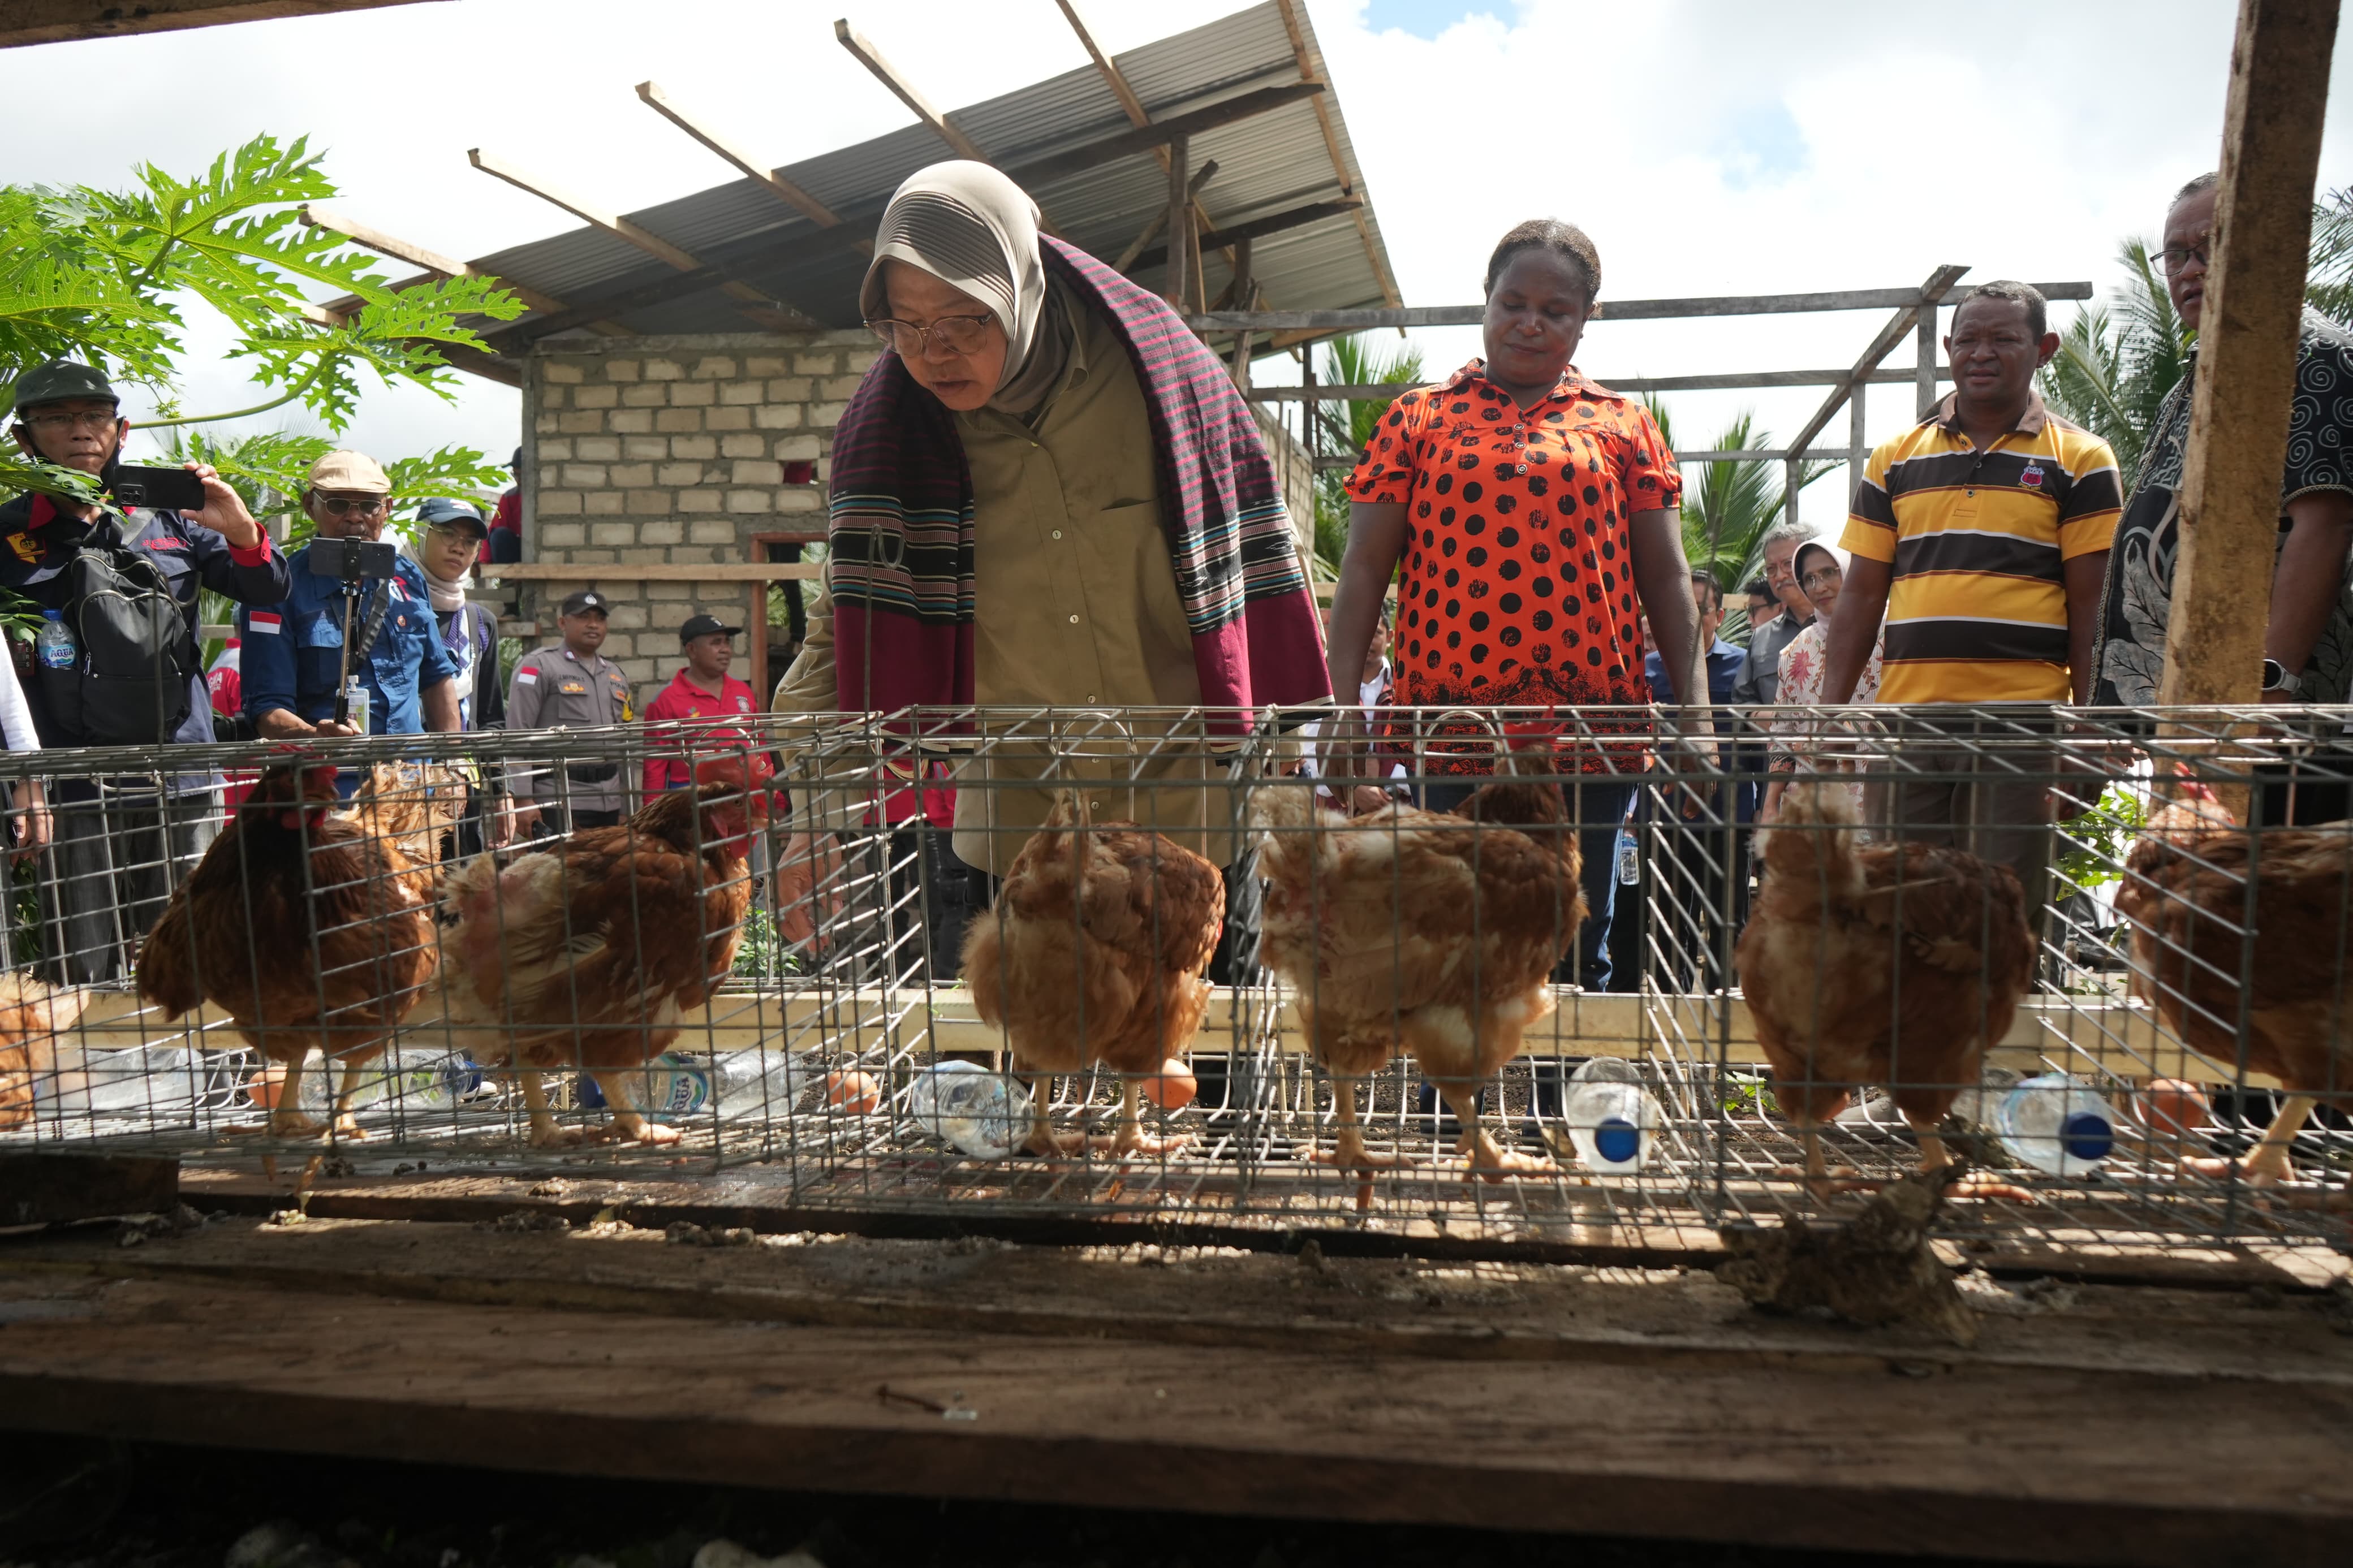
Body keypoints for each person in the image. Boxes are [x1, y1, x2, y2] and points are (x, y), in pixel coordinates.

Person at [770, 160, 1329, 984]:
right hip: (1019, 831)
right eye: (906, 324)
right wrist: (814, 816)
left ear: (1021, 288)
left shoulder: (1163, 385)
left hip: (1192, 824)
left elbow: (1261, 573)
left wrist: (1301, 776)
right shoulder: (894, 435)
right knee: (1022, 1092)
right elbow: (845, 620)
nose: (935, 351)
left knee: (1201, 1088)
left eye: (966, 317)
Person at [1323, 217, 1704, 991]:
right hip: (1451, 729)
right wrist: (1341, 710)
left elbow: (1667, 579)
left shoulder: (1624, 425)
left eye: (1555, 310)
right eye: (1514, 302)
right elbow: (1363, 568)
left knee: (1572, 935)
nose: (1531, 321)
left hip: (1590, 734)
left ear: (1586, 318)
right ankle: (1449, 1113)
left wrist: (1695, 718)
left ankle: (1558, 1112)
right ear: (1486, 302)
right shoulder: (1419, 419)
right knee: (1448, 933)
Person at [1823, 280, 2122, 932]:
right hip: (1908, 724)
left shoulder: (2080, 459)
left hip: (2019, 726)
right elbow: (1861, 594)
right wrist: (1827, 714)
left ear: (2042, 348)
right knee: (1901, 913)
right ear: (1948, 350)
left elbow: (2090, 606)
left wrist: (2088, 730)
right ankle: (1909, 1037)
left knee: (2000, 918)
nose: (1979, 353)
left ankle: (2003, 1034)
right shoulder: (1893, 459)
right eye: (1967, 340)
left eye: (2002, 339)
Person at [1, 358, 289, 982]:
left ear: (121, 431)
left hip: (179, 773)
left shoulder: (176, 518)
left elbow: (267, 588)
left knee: (191, 949)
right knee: (79, 966)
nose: (81, 432)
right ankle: (90, 1085)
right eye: (57, 418)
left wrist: (237, 524)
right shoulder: (7, 535)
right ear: (24, 439)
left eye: (95, 416)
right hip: (70, 781)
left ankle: (209, 1083)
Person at [2095, 171, 2353, 824]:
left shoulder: (2305, 354)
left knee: (2274, 909)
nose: (2188, 269)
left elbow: (2320, 524)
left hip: (2280, 730)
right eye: (2175, 254)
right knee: (2206, 905)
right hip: (2203, 717)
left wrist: (2269, 690)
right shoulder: (2204, 370)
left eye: (2211, 245)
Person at [240, 451, 462, 744]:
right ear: (310, 506)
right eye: (338, 504)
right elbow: (267, 708)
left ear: (387, 509)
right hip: (326, 779)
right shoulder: (276, 588)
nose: (355, 517)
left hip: (409, 778)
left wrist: (455, 763)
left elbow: (437, 678)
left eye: (370, 505)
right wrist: (314, 736)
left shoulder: (408, 577)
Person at [1761, 541, 1884, 823]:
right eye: (1810, 579)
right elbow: (1782, 735)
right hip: (1814, 805)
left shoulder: (1892, 630)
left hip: (1881, 799)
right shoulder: (1796, 651)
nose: (1819, 587)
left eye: (1829, 573)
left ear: (1852, 572)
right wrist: (1771, 804)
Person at [504, 589, 635, 837]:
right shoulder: (539, 666)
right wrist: (522, 800)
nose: (593, 624)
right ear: (563, 622)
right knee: (557, 874)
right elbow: (518, 736)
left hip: (609, 800)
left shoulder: (616, 676)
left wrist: (626, 805)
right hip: (558, 799)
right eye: (584, 617)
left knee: (603, 875)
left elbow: (623, 745)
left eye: (600, 618)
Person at [641, 613, 761, 798]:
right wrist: (653, 819)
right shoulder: (666, 699)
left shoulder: (743, 691)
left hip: (743, 796)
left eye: (727, 642)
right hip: (690, 800)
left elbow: (760, 747)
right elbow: (654, 767)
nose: (726, 650)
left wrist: (775, 799)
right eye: (716, 643)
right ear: (692, 650)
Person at [1730, 520, 1816, 706]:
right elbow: (1743, 700)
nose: (1779, 575)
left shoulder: (1849, 625)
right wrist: (1765, 719)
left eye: (1788, 564)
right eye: (1771, 569)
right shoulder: (1762, 637)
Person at [483, 447, 523, 566]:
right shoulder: (510, 497)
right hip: (515, 554)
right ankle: (508, 581)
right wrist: (484, 563)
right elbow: (495, 529)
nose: (519, 480)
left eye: (523, 475)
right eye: (516, 475)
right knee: (499, 535)